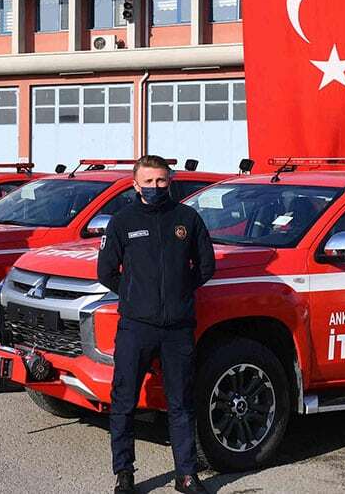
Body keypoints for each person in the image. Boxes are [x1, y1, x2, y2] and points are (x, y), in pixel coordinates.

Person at [95, 154, 215, 494]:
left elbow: (206, 267)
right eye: (148, 181)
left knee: (181, 403)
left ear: (170, 181)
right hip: (136, 327)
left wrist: (180, 291)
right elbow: (105, 271)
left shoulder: (187, 219)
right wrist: (135, 295)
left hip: (178, 328)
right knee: (124, 401)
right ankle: (124, 473)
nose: (155, 187)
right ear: (136, 184)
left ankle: (186, 475)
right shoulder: (122, 221)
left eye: (161, 180)